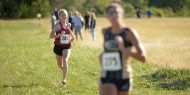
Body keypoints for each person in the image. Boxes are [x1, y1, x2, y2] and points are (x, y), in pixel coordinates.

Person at [99, 1, 147, 95]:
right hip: (107, 75)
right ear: (107, 16)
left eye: (116, 12)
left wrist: (124, 50)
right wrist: (102, 56)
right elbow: (107, 51)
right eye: (110, 13)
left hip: (124, 76)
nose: (114, 15)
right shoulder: (105, 32)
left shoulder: (129, 33)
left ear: (122, 14)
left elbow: (143, 57)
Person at [50, 9, 75, 84]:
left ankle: (64, 79)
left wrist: (70, 38)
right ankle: (64, 69)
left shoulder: (69, 25)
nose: (64, 16)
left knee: (65, 60)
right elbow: (51, 35)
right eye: (62, 15)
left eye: (65, 15)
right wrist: (59, 35)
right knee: (59, 64)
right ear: (59, 17)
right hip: (58, 47)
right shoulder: (57, 25)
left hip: (67, 46)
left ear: (67, 16)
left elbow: (72, 36)